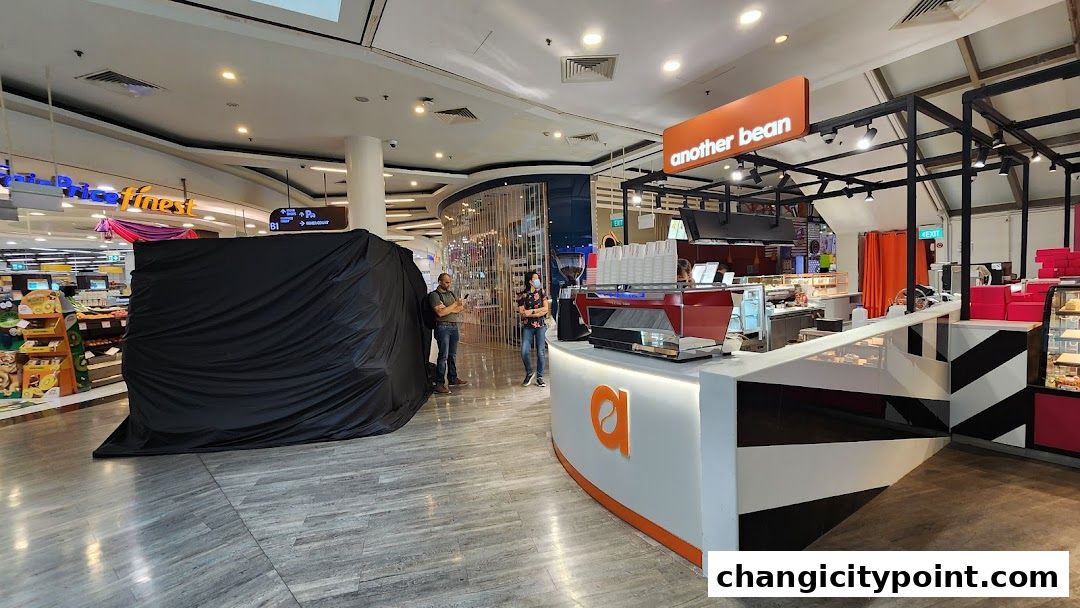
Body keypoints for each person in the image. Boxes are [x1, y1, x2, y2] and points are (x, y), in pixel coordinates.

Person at [428, 273, 468, 394]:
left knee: (452, 355)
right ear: (440, 282)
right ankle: (439, 383)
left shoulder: (450, 294)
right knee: (443, 355)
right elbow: (440, 313)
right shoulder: (435, 296)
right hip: (442, 327)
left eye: (449, 282)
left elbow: (457, 310)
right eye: (446, 282)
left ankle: (452, 378)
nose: (448, 284)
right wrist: (454, 305)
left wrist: (450, 308)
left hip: (453, 326)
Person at [517, 270, 550, 387]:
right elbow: (522, 313)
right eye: (535, 279)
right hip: (527, 327)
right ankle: (529, 373)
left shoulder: (542, 292)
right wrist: (538, 312)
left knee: (541, 352)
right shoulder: (522, 295)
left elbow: (546, 309)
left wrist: (532, 312)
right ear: (530, 281)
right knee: (524, 351)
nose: (538, 281)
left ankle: (540, 377)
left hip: (540, 326)